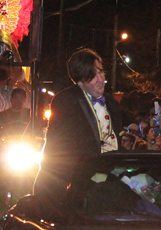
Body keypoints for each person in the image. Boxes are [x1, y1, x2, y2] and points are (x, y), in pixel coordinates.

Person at [35, 49, 122, 195]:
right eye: (93, 76)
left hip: (111, 180)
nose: (101, 79)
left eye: (101, 72)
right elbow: (58, 147)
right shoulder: (66, 101)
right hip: (79, 185)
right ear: (80, 81)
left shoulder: (112, 103)